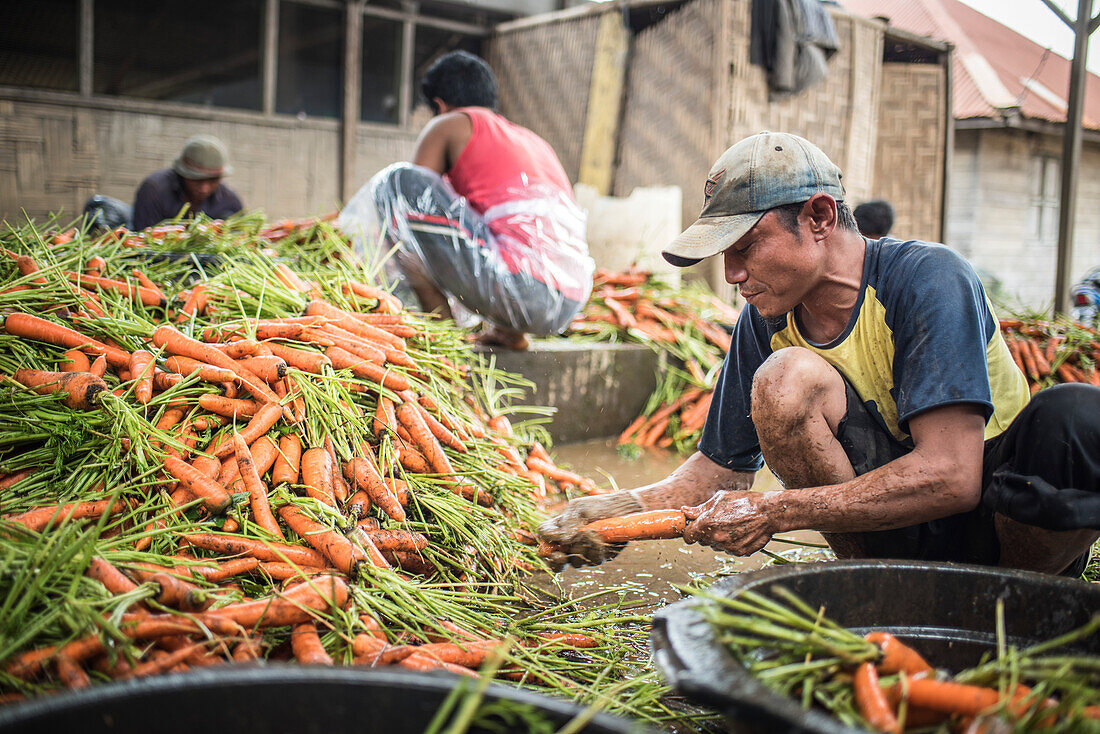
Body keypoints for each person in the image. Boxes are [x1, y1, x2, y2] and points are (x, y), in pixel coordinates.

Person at [540, 132, 1100, 577]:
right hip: (892, 540)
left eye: (746, 248)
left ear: (820, 217)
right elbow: (720, 474)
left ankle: (1017, 604)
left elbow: (953, 476)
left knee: (1076, 416)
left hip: (1003, 526)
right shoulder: (767, 319)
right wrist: (618, 512)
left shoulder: (926, 279)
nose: (733, 276)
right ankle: (880, 587)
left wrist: (776, 511)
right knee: (785, 378)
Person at [362, 50, 593, 350]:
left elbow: (410, 216)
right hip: (569, 302)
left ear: (439, 105)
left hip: (522, 291)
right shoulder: (533, 141)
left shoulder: (450, 124)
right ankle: (509, 333)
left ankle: (442, 336)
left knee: (397, 185)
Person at [131, 135, 243, 231]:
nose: (205, 189)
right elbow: (143, 238)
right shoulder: (154, 190)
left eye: (213, 180)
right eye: (197, 179)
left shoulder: (230, 201)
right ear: (182, 173)